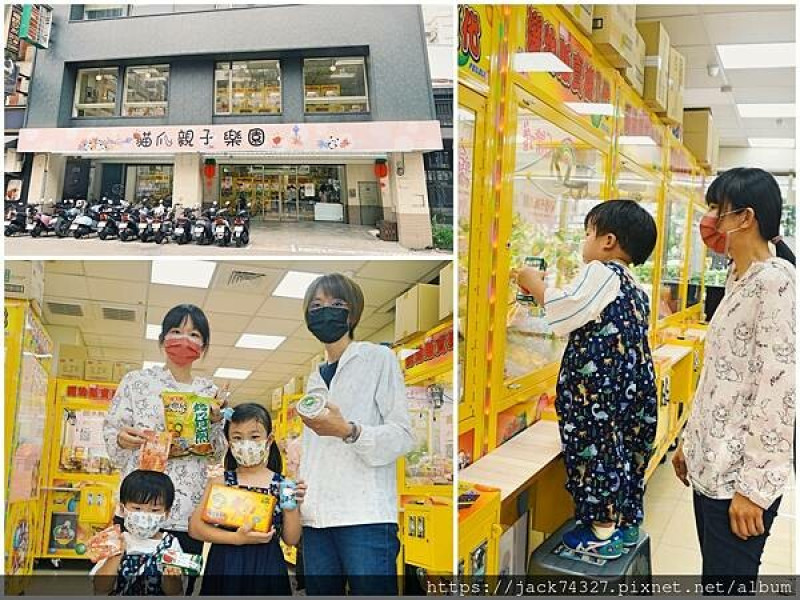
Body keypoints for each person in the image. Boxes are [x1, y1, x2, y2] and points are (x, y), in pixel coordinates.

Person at [673, 168, 795, 593]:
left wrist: (755, 490)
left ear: (745, 217)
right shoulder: (738, 278)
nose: (708, 220)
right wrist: (689, 442)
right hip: (711, 466)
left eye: (715, 209)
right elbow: (719, 376)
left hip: (739, 485)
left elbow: (780, 390)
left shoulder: (777, 284)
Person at [514, 200, 659, 559]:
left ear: (607, 241)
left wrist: (534, 286)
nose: (585, 242)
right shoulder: (636, 288)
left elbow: (569, 311)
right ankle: (625, 524)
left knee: (595, 449)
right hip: (632, 387)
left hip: (596, 392)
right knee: (624, 450)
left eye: (587, 234)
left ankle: (600, 531)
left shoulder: (602, 272)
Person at [298, 273, 415, 595]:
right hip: (316, 518)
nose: (325, 312)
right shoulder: (313, 378)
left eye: (337, 304)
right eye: (316, 305)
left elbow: (404, 435)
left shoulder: (379, 359)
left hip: (364, 517)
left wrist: (350, 432)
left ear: (353, 314)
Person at [103, 304, 227, 594]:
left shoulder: (209, 393)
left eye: (194, 334)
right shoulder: (137, 382)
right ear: (162, 340)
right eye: (176, 331)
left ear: (204, 346)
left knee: (176, 585)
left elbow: (217, 451)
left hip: (187, 512)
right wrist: (123, 438)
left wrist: (215, 422)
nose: (184, 339)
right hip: (139, 505)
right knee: (123, 581)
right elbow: (111, 431)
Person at [189, 403, 306, 595]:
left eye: (254, 436)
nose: (246, 443)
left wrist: (291, 507)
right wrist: (236, 538)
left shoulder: (283, 484)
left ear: (268, 440)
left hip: (267, 567)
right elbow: (195, 528)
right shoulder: (221, 482)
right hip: (225, 564)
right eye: (237, 437)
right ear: (229, 442)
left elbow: (291, 539)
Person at [91, 470, 184, 596]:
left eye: (155, 510)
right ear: (123, 509)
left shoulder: (170, 544)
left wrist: (172, 580)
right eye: (137, 508)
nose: (145, 515)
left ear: (166, 514)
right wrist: (115, 556)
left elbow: (175, 592)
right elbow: (101, 588)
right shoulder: (116, 540)